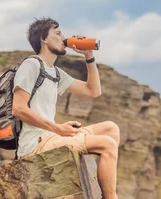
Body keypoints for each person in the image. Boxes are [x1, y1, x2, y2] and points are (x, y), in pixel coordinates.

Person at [11, 17, 120, 199]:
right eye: (58, 33)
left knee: (111, 128)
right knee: (107, 144)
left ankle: (99, 185)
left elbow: (93, 91)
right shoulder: (31, 65)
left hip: (50, 137)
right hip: (35, 144)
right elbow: (18, 109)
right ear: (44, 39)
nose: (64, 37)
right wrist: (57, 128)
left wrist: (89, 56)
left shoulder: (54, 72)